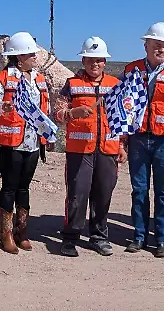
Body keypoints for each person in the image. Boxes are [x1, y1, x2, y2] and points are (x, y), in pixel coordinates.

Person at [123, 22, 164, 258]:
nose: (161, 50)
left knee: (163, 191)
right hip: (138, 138)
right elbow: (122, 103)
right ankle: (139, 236)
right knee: (139, 189)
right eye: (157, 45)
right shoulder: (131, 70)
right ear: (146, 45)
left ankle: (162, 239)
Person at [55, 37, 126, 258]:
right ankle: (70, 238)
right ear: (83, 60)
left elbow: (122, 118)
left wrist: (122, 145)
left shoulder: (115, 85)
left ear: (105, 62)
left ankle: (99, 237)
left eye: (99, 60)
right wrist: (71, 114)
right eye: (90, 60)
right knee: (77, 195)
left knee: (103, 193)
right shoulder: (72, 85)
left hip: (108, 148)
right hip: (79, 150)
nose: (95, 64)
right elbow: (57, 114)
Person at [0, 31, 51, 254]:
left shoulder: (39, 79)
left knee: (24, 187)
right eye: (30, 53)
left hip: (33, 142)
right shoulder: (2, 78)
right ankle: (6, 234)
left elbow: (45, 110)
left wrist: (48, 135)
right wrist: (2, 106)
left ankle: (22, 231)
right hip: (9, 142)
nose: (35, 56)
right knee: (10, 187)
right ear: (19, 57)